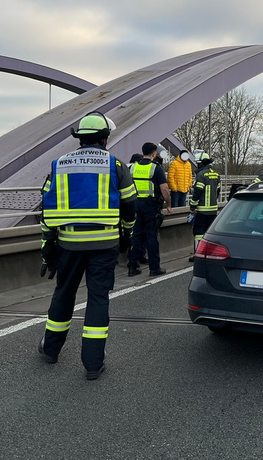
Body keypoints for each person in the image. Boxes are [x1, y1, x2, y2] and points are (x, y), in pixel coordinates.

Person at [38, 111, 137, 380]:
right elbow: (129, 204)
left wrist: (48, 243)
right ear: (105, 138)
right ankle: (93, 364)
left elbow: (47, 209)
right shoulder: (115, 165)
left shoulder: (59, 164)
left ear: (79, 138)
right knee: (97, 298)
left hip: (69, 243)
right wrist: (127, 234)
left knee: (64, 294)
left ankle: (50, 350)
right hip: (105, 245)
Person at [127, 142, 172, 277]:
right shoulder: (155, 168)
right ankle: (154, 268)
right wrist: (168, 204)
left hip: (135, 205)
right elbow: (164, 189)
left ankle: (133, 266)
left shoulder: (133, 167)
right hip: (151, 206)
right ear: (154, 153)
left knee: (136, 236)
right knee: (151, 236)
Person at [189, 151, 220, 261]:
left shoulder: (201, 175)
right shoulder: (216, 175)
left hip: (202, 210)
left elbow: (198, 192)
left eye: (197, 163)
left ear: (201, 163)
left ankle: (198, 255)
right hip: (213, 210)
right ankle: (209, 254)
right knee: (208, 233)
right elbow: (218, 191)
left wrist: (192, 206)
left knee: (198, 233)